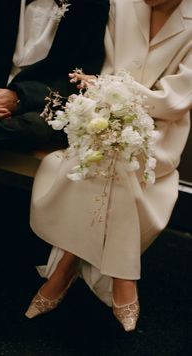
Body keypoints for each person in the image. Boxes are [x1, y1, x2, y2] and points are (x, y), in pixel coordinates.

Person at [25, 0, 192, 332]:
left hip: (160, 132)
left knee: (116, 158)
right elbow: (104, 69)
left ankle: (65, 266)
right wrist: (113, 103)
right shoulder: (120, 4)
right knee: (111, 155)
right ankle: (123, 275)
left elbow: (177, 100)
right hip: (101, 115)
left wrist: (121, 98)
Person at [0, 0, 109, 231]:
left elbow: (83, 75)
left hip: (40, 104)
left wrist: (20, 97)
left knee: (33, 127)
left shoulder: (92, 5)